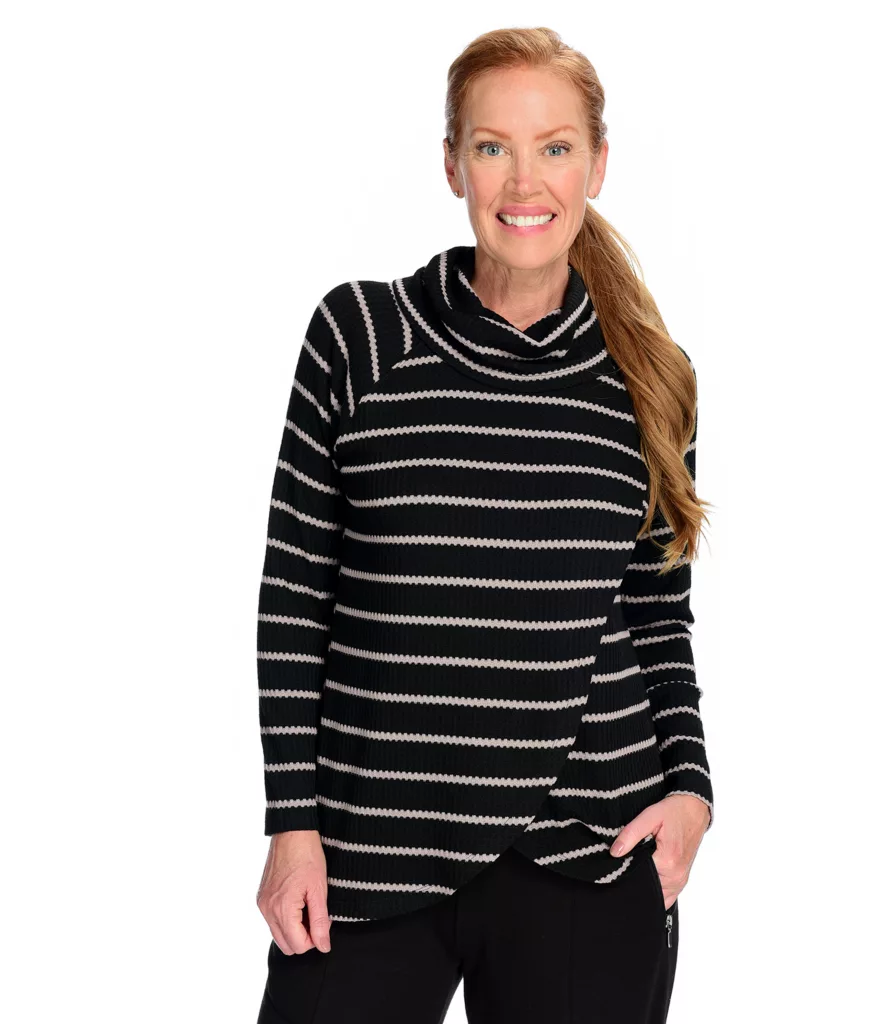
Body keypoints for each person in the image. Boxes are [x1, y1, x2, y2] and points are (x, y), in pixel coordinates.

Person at [254, 25, 714, 1024]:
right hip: (371, 847)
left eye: (555, 146)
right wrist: (292, 824)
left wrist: (691, 789)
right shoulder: (360, 337)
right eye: (493, 145)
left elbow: (657, 616)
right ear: (452, 162)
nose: (524, 179)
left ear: (597, 165)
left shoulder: (651, 376)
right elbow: (295, 603)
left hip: (588, 852)